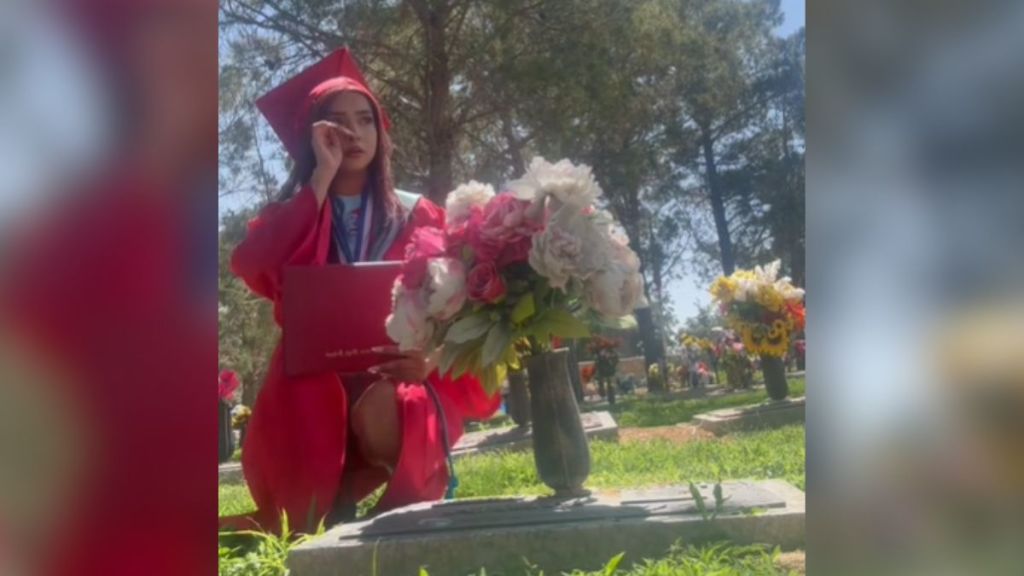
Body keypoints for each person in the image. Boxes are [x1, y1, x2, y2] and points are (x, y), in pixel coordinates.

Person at [229, 48, 500, 534]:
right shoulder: (292, 214)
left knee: (394, 405)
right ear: (313, 135)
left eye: (365, 120)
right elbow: (257, 267)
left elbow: (463, 304)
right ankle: (322, 504)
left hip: (397, 373)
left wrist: (433, 358)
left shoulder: (418, 213)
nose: (353, 133)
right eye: (336, 123)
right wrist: (320, 177)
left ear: (381, 133)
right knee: (307, 404)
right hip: (315, 378)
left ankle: (393, 501)